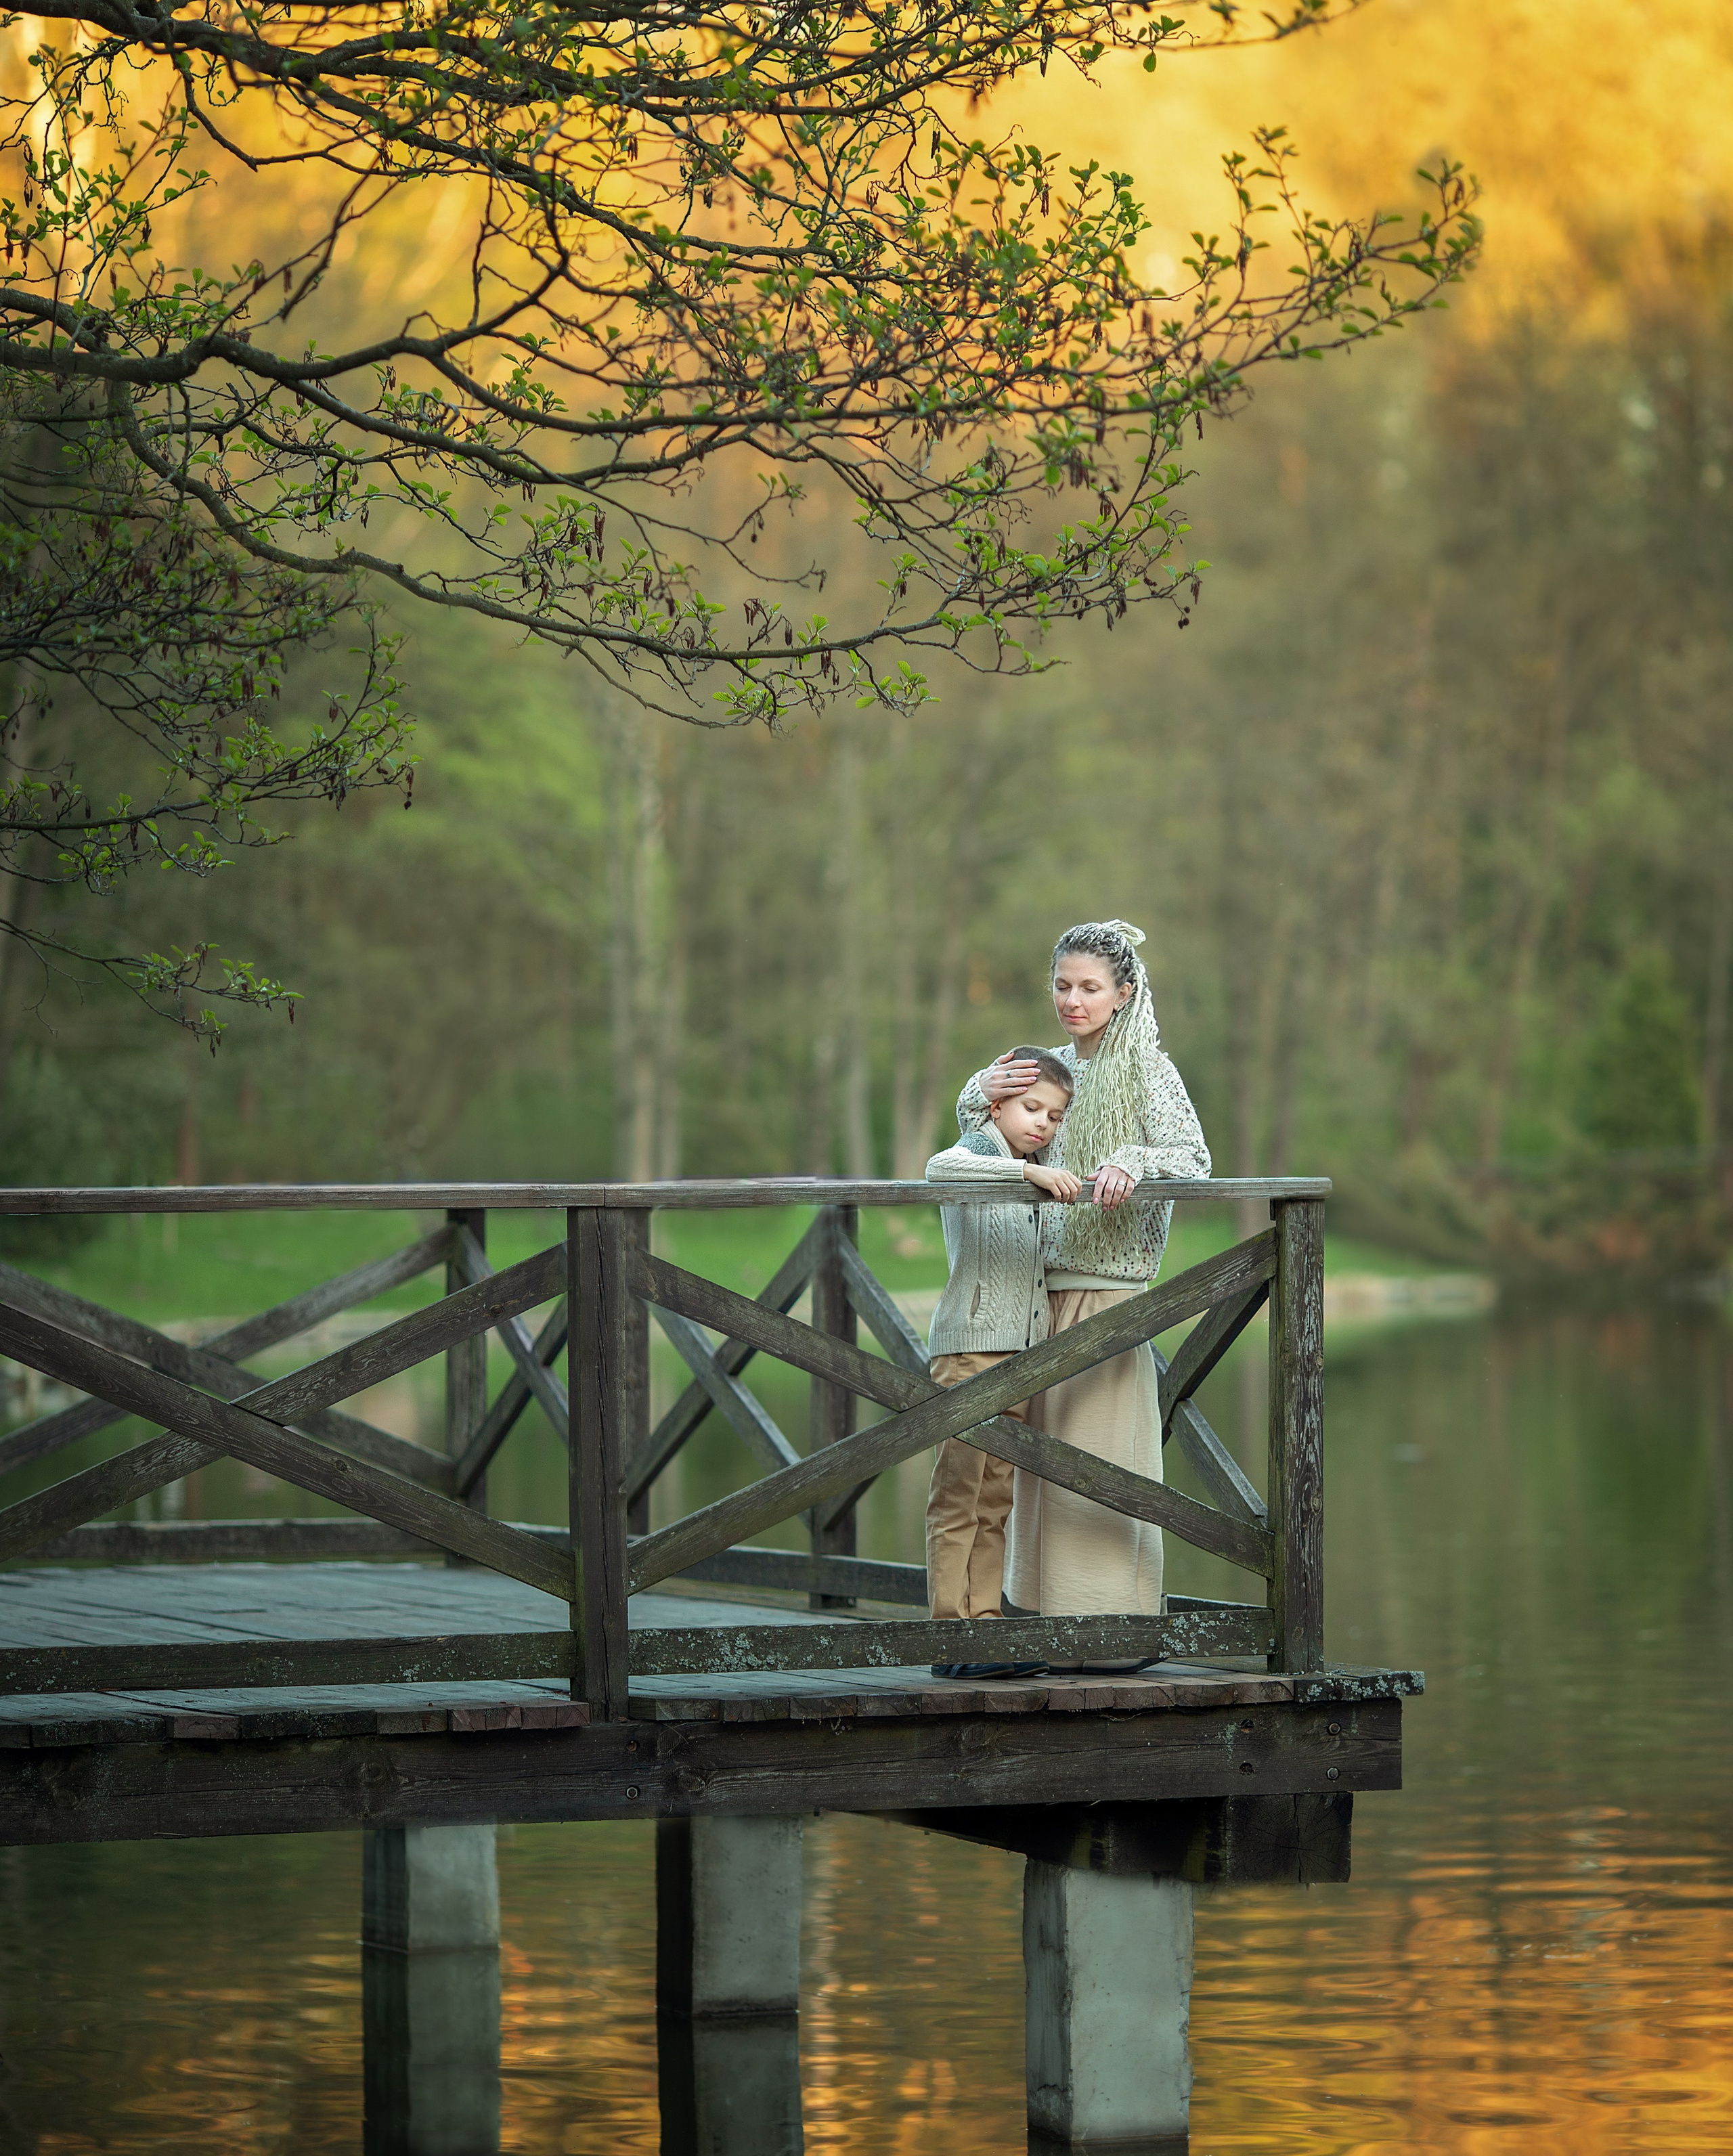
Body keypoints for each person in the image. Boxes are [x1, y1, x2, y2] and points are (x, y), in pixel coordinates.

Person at [957, 921, 1210, 1669]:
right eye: (1062, 985)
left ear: (1123, 993)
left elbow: (1190, 1157)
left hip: (1108, 1291)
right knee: (1039, 1462)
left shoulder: (1149, 1070)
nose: (1072, 999)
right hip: (1036, 1289)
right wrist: (977, 1093)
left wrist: (1133, 1156)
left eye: (1089, 987)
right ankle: (1040, 1622)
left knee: (1098, 1462)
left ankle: (1111, 1630)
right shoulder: (1047, 1069)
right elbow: (983, 1148)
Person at [922, 1047, 1080, 1680]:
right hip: (968, 1347)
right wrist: (1029, 1177)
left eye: (1054, 1114)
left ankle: (985, 1624)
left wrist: (1041, 1172)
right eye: (1031, 1106)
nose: (1042, 1122)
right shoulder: (979, 1156)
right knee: (958, 1490)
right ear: (997, 1104)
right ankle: (948, 1635)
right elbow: (939, 1167)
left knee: (996, 1495)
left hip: (1020, 1354)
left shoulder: (1035, 1165)